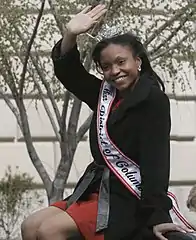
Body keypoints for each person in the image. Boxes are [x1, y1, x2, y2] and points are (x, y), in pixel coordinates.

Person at [21, 4, 195, 240]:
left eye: (121, 62)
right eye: (106, 67)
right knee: (31, 225)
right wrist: (70, 34)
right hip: (97, 189)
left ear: (138, 61)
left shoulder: (153, 99)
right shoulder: (106, 94)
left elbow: (157, 160)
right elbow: (70, 74)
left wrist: (158, 215)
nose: (115, 71)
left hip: (127, 198)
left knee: (50, 231)